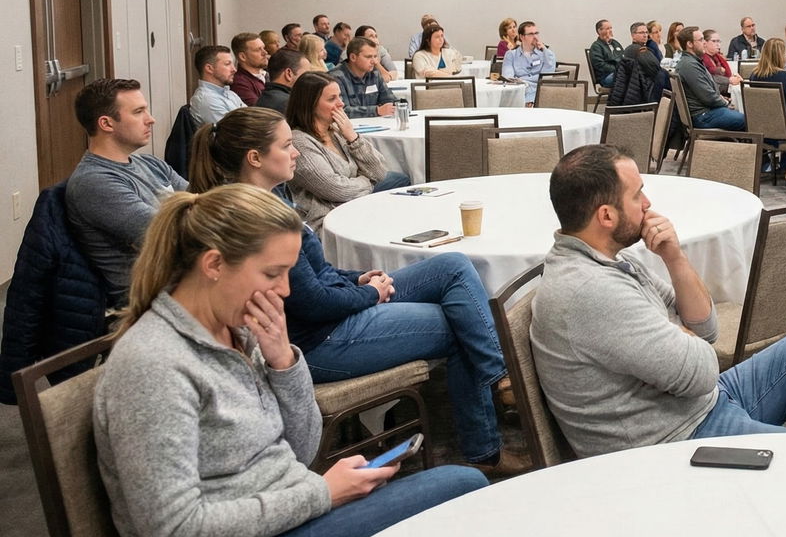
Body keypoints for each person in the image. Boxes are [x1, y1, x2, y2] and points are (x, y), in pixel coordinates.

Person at [92, 183, 487, 537]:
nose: (284, 291)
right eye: (272, 274)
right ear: (214, 264)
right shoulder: (153, 363)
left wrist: (284, 362)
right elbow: (172, 535)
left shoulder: (238, 331)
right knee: (460, 488)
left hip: (283, 526)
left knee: (453, 510)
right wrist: (321, 494)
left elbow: (301, 451)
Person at [189, 109, 531, 478]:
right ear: (255, 158)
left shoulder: (274, 198)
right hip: (320, 340)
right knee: (461, 323)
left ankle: (499, 377)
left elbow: (317, 274)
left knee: (453, 265)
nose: (297, 151)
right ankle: (485, 447)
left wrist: (357, 279)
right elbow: (311, 303)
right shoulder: (255, 218)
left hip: (336, 310)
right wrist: (369, 295)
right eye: (286, 146)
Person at [530, 145, 786, 458]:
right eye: (636, 195)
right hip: (677, 441)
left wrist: (674, 257)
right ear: (606, 216)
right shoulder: (593, 291)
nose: (647, 203)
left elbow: (706, 328)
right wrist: (677, 335)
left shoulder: (610, 260)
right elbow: (704, 369)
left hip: (698, 404)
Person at [66, 78, 188, 303]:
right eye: (138, 112)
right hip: (152, 300)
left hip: (185, 281)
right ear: (107, 124)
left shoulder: (151, 163)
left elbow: (204, 202)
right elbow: (175, 235)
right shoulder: (94, 182)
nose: (150, 119)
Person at [285, 72, 410, 230]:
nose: (341, 104)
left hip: (354, 201)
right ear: (310, 104)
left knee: (399, 180)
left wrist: (353, 137)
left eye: (340, 96)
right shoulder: (299, 142)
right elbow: (337, 190)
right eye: (332, 99)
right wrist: (368, 181)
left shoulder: (337, 130)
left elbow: (379, 172)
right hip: (328, 216)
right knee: (396, 188)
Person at [746, 38, 786, 180]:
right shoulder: (785, 77)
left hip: (762, 131)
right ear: (780, 55)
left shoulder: (754, 75)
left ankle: (785, 167)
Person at [676, 26, 746, 131]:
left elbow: (708, 91)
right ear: (689, 44)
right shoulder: (689, 65)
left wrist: (722, 100)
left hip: (706, 112)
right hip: (703, 116)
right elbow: (708, 97)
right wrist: (725, 103)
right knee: (750, 120)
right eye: (701, 40)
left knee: (747, 117)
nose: (704, 43)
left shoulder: (692, 62)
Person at [331, 36, 397, 118]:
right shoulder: (336, 78)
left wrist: (399, 105)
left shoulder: (375, 74)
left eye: (375, 56)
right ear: (353, 57)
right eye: (368, 57)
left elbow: (390, 99)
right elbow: (341, 110)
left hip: (374, 123)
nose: (374, 62)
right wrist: (376, 111)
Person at [502, 20, 557, 105]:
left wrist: (544, 50)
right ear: (522, 37)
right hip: (519, 93)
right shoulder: (511, 55)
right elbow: (508, 78)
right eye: (531, 34)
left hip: (539, 93)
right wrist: (525, 83)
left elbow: (547, 76)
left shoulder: (544, 54)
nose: (535, 37)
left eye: (536, 33)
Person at [190, 45, 247, 126]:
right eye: (227, 64)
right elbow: (236, 130)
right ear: (209, 68)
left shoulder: (229, 93)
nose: (234, 69)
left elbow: (252, 117)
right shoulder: (208, 100)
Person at [257, 48, 307, 115]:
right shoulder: (288, 104)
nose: (309, 78)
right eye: (306, 74)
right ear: (288, 74)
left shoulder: (263, 97)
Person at [230, 32, 270, 106]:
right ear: (243, 57)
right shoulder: (239, 84)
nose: (265, 52)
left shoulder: (267, 75)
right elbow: (260, 110)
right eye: (258, 50)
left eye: (263, 48)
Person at [587, 18, 624, 88]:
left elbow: (623, 58)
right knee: (629, 78)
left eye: (611, 28)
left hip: (619, 73)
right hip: (606, 76)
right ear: (599, 31)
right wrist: (617, 70)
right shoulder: (596, 46)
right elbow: (600, 65)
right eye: (607, 29)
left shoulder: (615, 43)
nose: (610, 30)